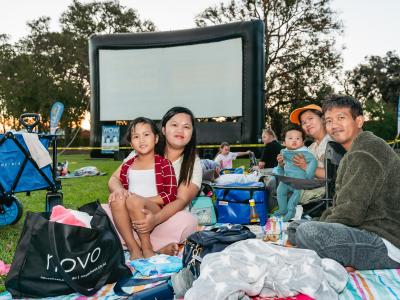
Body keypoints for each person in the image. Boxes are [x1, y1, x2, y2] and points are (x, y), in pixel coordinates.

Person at [288, 95, 400, 270]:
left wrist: (319, 226)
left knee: (307, 232)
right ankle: (343, 257)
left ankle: (350, 258)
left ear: (359, 121)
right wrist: (320, 222)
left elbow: (349, 213)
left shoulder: (365, 152)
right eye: (329, 120)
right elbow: (340, 205)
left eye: (341, 118)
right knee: (296, 227)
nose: (334, 125)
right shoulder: (355, 150)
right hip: (364, 228)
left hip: (386, 242)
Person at [107, 107, 202, 257]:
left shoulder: (192, 163)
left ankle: (137, 245)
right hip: (131, 216)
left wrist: (154, 219)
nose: (180, 130)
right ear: (163, 130)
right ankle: (152, 247)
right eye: (174, 125)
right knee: (109, 207)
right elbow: (114, 179)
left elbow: (181, 200)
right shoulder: (143, 149)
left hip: (166, 219)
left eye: (186, 127)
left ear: (192, 132)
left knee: (187, 220)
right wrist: (120, 191)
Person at [108, 117, 177, 259]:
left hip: (153, 209)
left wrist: (140, 199)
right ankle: (134, 249)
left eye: (146, 135)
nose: (141, 140)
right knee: (116, 199)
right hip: (131, 209)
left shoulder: (164, 164)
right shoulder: (128, 165)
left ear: (156, 138)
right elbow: (115, 182)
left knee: (134, 200)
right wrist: (120, 191)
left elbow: (170, 195)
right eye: (136, 136)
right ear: (131, 143)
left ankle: (147, 248)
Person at [285, 104, 332, 205]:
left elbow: (334, 175)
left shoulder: (334, 142)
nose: (307, 124)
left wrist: (306, 167)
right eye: (303, 122)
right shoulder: (310, 148)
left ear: (323, 119)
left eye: (310, 118)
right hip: (310, 188)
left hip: (327, 196)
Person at [273, 126, 317, 221]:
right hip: (287, 179)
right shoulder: (283, 152)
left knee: (295, 195)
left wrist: (308, 175)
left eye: (298, 138)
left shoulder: (304, 153)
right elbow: (281, 170)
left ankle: (291, 211)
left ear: (302, 142)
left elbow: (313, 161)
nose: (294, 140)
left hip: (299, 180)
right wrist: (280, 165)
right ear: (284, 142)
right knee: (280, 191)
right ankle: (283, 209)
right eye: (290, 138)